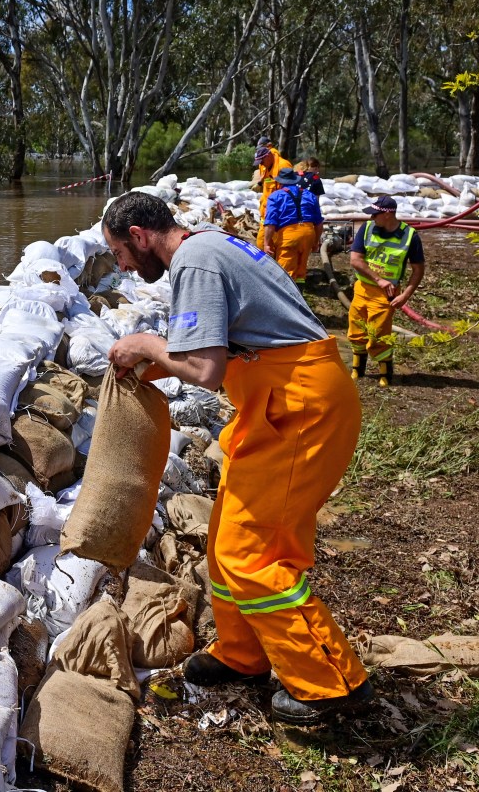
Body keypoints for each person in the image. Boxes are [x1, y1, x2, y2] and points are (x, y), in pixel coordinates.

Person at [101, 191, 373, 726]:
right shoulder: (211, 247)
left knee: (255, 555)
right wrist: (153, 363)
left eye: (119, 255)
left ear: (137, 235)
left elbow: (205, 370)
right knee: (227, 545)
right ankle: (243, 655)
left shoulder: (195, 261)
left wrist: (145, 343)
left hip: (299, 410)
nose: (124, 267)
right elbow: (225, 346)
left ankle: (329, 682)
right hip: (277, 406)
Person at [347, 196, 425, 387]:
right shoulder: (366, 229)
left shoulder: (410, 236)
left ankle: (385, 373)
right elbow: (355, 260)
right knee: (356, 331)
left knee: (379, 335)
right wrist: (378, 279)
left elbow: (418, 269)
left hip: (385, 297)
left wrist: (405, 295)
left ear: (388, 214)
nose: (373, 218)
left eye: (375, 214)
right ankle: (358, 369)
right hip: (362, 289)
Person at [262, 167, 324, 286]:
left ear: (280, 182)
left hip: (289, 235)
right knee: (301, 269)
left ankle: (286, 299)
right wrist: (316, 242)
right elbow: (319, 223)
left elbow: (270, 222)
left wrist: (266, 243)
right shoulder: (309, 195)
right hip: (308, 233)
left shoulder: (275, 196)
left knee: (284, 273)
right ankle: (300, 292)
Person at [252, 136, 294, 223]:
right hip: (266, 209)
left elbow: (289, 192)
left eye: (263, 148)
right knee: (262, 235)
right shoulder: (262, 162)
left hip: (277, 212)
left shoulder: (283, 166)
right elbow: (267, 178)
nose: (262, 163)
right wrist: (260, 183)